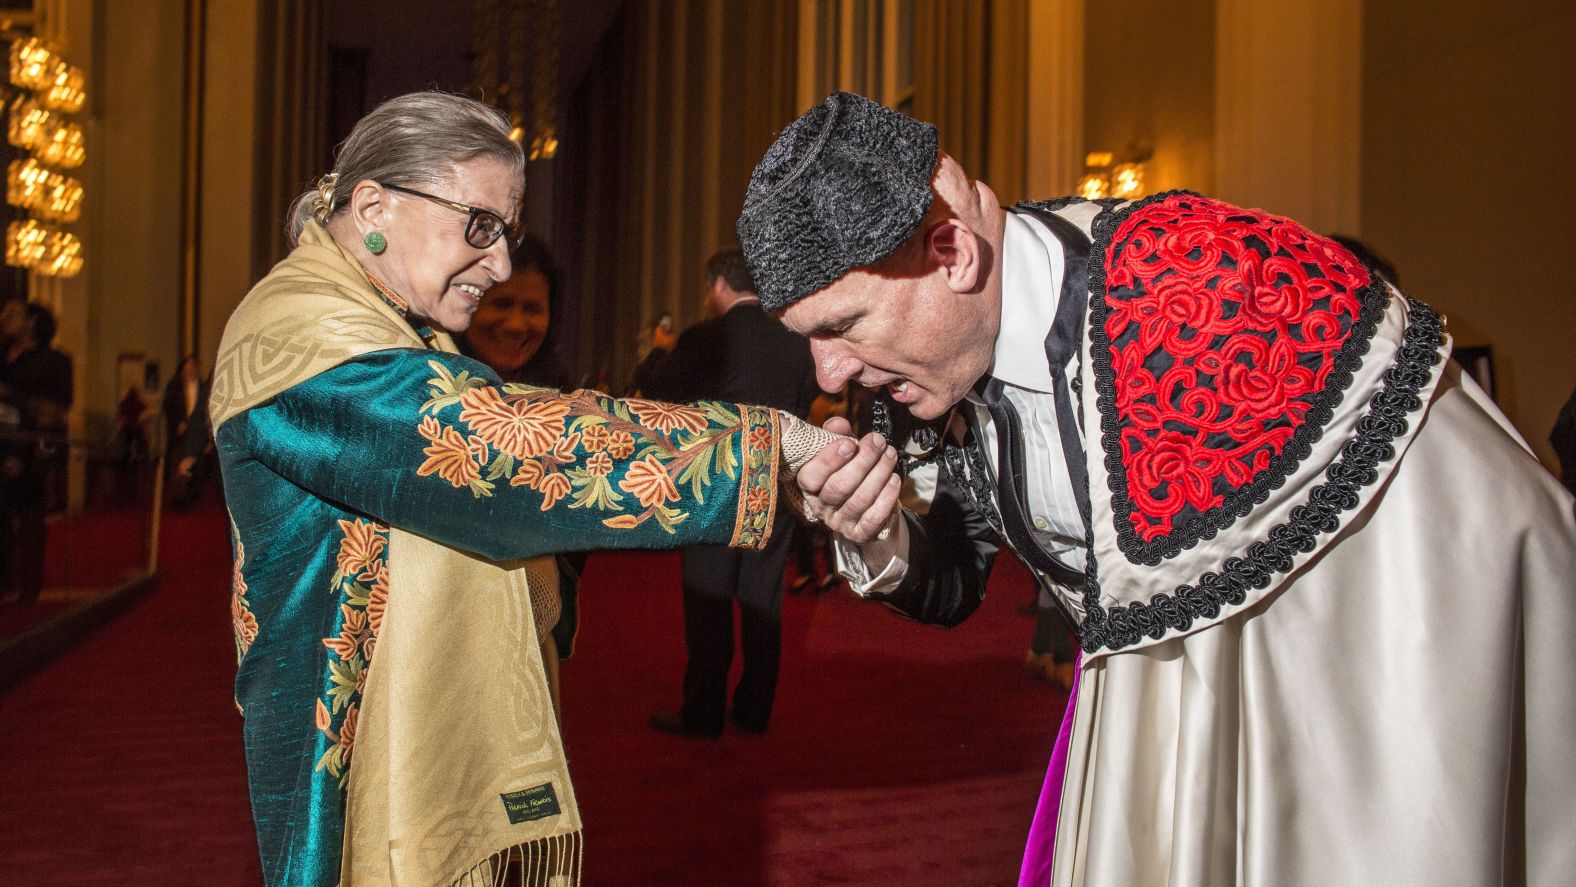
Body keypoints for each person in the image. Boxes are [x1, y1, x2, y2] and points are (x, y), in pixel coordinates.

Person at [737, 92, 1576, 887]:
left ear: (951, 254)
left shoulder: (1193, 282)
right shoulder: (916, 379)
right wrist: (876, 534)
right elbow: (957, 577)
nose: (829, 372)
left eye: (840, 327)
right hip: (1167, 721)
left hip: (1381, 687)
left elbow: (1450, 523)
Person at [211, 92, 840, 887]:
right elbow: (491, 444)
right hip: (355, 758)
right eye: (479, 227)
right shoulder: (298, 332)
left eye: (505, 234)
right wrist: (768, 445)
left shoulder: (387, 320)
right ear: (372, 204)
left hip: (414, 733)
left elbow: (512, 426)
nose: (503, 263)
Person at [633, 248, 819, 737]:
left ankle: (704, 713)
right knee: (764, 599)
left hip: (712, 483)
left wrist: (658, 348)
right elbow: (802, 407)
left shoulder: (704, 338)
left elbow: (660, 398)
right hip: (774, 480)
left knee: (709, 600)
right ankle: (755, 710)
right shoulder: (796, 340)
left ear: (718, 284)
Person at [454, 232, 580, 708]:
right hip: (444, 629)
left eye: (534, 309)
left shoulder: (564, 398)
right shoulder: (428, 390)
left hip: (531, 624)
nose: (517, 323)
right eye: (500, 304)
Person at [0, 298, 72, 604]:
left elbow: (59, 408)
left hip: (32, 450)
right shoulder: (4, 357)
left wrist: (13, 397)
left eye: (13, 315)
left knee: (30, 518)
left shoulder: (55, 362)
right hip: (3, 446)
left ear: (31, 322)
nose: (4, 318)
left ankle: (29, 587)